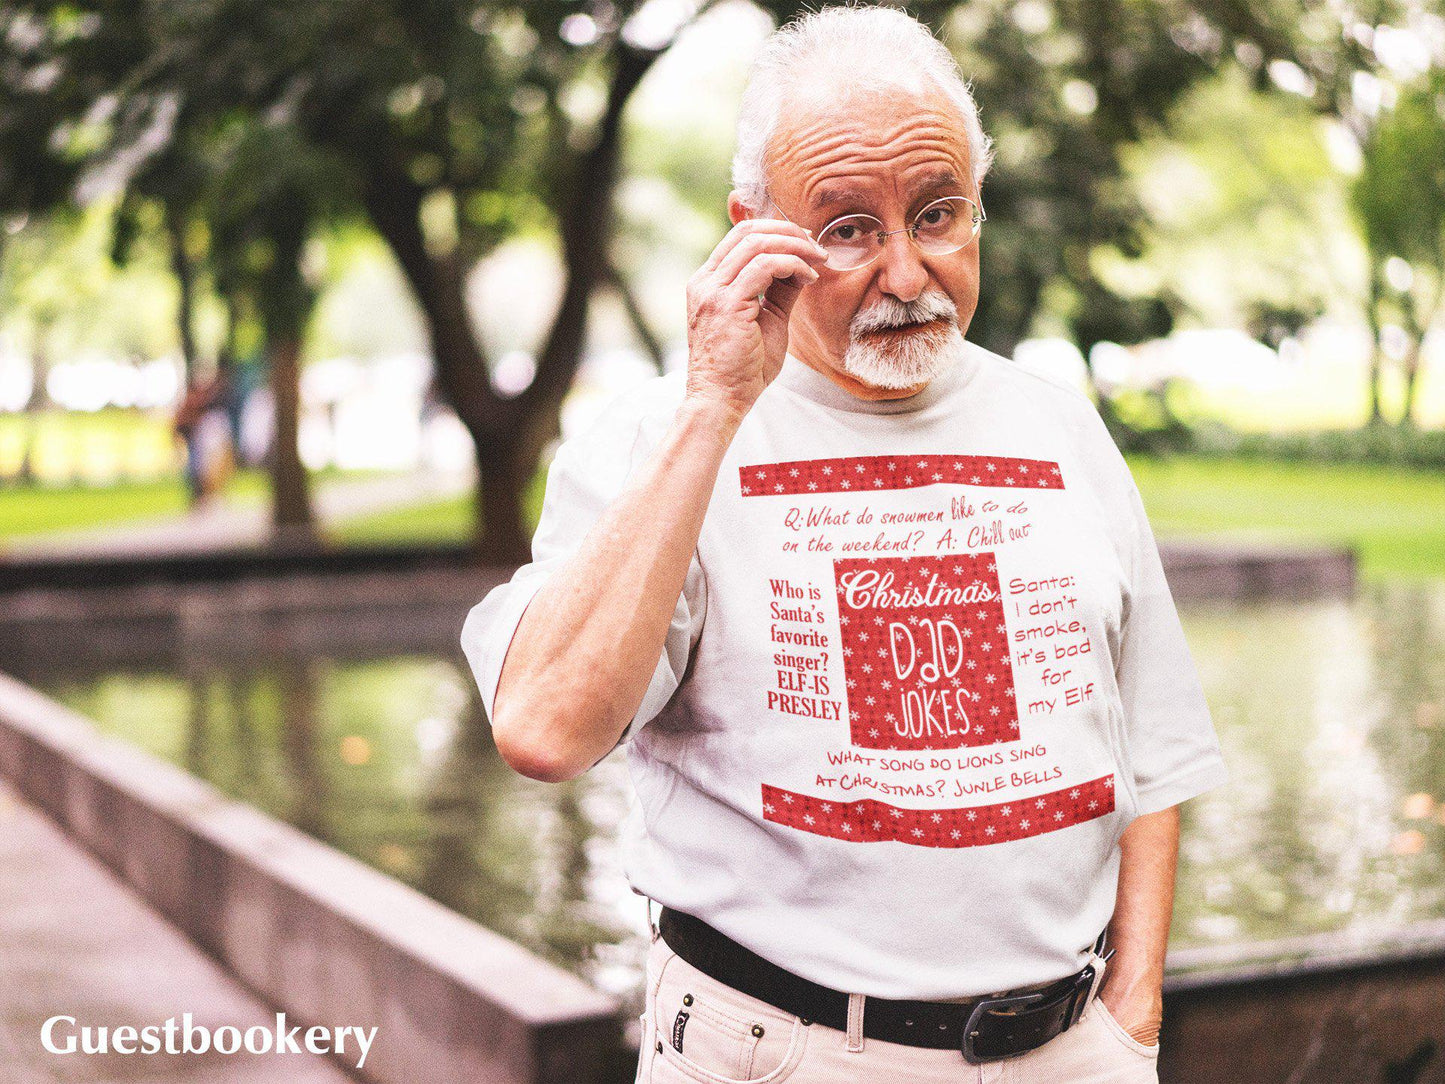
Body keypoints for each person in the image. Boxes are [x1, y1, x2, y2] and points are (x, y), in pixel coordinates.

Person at [461, 6, 1228, 1081]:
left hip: (1069, 1054)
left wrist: (1131, 1012)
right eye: (847, 228)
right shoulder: (659, 437)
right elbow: (543, 727)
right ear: (751, 229)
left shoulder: (1059, 428)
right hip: (782, 1054)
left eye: (936, 214)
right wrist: (713, 406)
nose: (908, 274)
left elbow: (1145, 750)